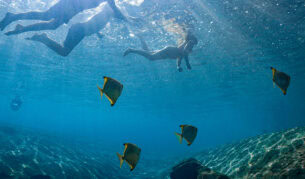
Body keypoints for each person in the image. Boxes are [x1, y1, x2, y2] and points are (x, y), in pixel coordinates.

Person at [25, 1, 130, 57]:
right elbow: (121, 16)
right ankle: (44, 38)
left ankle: (44, 38)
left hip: (79, 29)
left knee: (64, 50)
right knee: (64, 52)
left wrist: (98, 33)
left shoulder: (107, 11)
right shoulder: (111, 9)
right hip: (79, 30)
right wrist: (132, 21)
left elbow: (95, 22)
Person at [0, 0, 126, 36]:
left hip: (73, 8)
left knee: (53, 24)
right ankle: (13, 17)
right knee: (47, 15)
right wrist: (129, 20)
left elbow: (113, 8)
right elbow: (115, 9)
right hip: (70, 4)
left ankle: (19, 25)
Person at [123, 31, 198, 72]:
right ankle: (131, 50)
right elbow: (184, 52)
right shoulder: (190, 43)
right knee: (151, 57)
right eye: (195, 42)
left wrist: (178, 66)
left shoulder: (188, 45)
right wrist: (188, 64)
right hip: (168, 52)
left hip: (168, 52)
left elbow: (180, 57)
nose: (194, 45)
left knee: (148, 52)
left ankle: (141, 38)